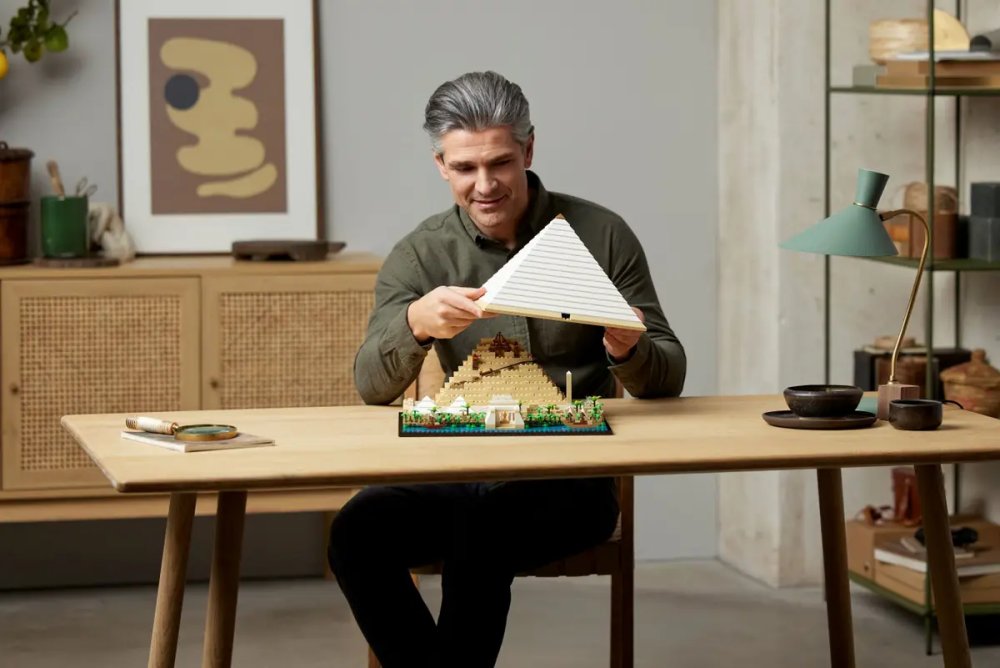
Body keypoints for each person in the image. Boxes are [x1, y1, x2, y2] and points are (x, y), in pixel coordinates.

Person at [328, 71, 686, 668]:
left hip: (572, 484)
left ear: (528, 151)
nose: (485, 185)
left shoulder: (600, 234)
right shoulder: (420, 254)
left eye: (500, 163)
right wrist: (414, 323)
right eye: (465, 168)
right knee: (355, 530)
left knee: (482, 533)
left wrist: (628, 347)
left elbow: (668, 376)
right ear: (441, 164)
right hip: (458, 470)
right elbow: (371, 385)